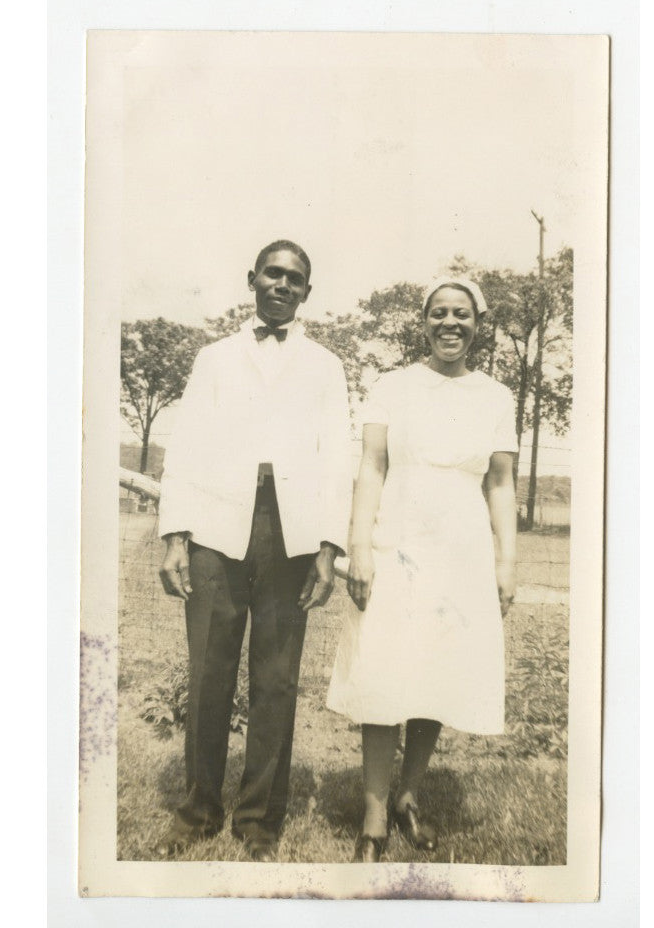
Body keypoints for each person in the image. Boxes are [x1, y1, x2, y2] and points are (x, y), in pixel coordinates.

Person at [157, 240, 352, 861]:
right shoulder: (214, 359)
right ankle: (198, 809)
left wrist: (327, 547)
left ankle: (259, 820)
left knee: (276, 679)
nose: (283, 284)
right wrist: (176, 536)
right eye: (273, 273)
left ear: (306, 292)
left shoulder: (326, 366)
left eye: (296, 278)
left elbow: (335, 459)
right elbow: (185, 446)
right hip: (217, 526)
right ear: (252, 279)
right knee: (210, 672)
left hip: (289, 533)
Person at [326, 277, 518, 862]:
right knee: (384, 669)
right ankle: (375, 810)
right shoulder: (391, 386)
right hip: (396, 542)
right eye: (439, 314)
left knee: (437, 670)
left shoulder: (496, 397)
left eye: (462, 314)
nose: (450, 324)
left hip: (460, 551)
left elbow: (502, 484)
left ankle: (409, 796)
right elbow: (371, 467)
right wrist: (359, 547)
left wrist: (505, 563)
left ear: (478, 324)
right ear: (425, 322)